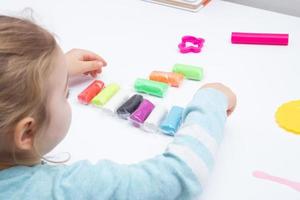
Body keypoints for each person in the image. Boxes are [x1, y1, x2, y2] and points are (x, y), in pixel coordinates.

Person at [0, 15, 236, 200]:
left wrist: (51, 70)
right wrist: (211, 102)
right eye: (65, 94)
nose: (67, 95)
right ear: (27, 132)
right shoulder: (63, 190)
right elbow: (180, 176)